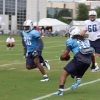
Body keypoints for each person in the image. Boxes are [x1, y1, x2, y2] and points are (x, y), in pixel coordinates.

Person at [54, 26, 94, 96]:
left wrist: (61, 58)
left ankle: (60, 91)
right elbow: (92, 54)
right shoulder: (86, 40)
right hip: (88, 61)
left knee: (64, 73)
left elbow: (65, 54)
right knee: (80, 70)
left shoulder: (71, 40)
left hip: (79, 59)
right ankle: (78, 78)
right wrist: (93, 65)